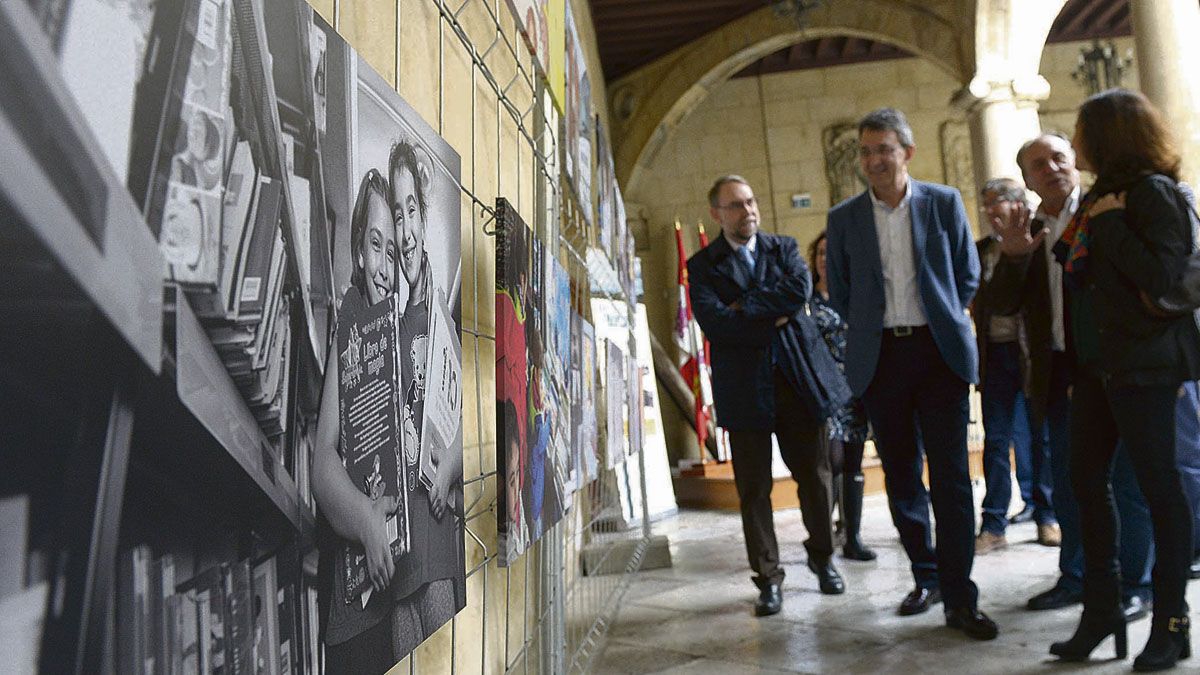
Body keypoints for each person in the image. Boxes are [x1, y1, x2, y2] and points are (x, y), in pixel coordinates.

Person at [825, 107, 997, 640]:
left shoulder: (943, 203)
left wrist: (943, 317)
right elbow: (843, 290)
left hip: (937, 352)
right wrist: (875, 332)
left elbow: (967, 273)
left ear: (907, 153)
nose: (874, 160)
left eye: (885, 149)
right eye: (867, 150)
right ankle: (926, 578)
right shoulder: (844, 218)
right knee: (901, 476)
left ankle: (960, 595)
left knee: (950, 478)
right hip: (881, 360)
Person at [1047, 88, 1197, 670]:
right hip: (1097, 368)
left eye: (1082, 132)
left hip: (1147, 366)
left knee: (1161, 491)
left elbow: (1164, 276)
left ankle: (1172, 622)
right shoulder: (1099, 199)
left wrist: (1109, 227)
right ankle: (1103, 610)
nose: (1075, 142)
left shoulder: (1151, 194)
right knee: (1084, 483)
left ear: (1108, 137)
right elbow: (1079, 273)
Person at [994, 132, 1156, 622]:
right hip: (1061, 370)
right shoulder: (1030, 227)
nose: (1052, 169)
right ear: (1026, 179)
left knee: (1126, 482)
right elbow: (1002, 305)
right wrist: (1015, 255)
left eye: (1058, 158)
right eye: (1038, 165)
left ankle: (1135, 583)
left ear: (1075, 163)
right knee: (1070, 480)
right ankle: (1078, 577)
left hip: (1115, 363)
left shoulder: (1105, 210)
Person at [688, 175, 849, 616]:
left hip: (797, 382)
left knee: (815, 480)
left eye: (752, 201)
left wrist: (745, 308)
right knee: (753, 490)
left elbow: (798, 292)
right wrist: (769, 314)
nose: (749, 211)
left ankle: (823, 558)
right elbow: (716, 323)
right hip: (744, 391)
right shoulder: (703, 265)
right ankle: (768, 578)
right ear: (718, 214)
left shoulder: (783, 248)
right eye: (737, 205)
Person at [313, 169, 403, 672]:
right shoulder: (348, 327)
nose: (384, 265)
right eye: (375, 246)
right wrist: (367, 521)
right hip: (357, 616)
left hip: (407, 598)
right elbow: (322, 463)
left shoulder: (410, 324)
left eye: (392, 251)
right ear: (357, 253)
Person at [388, 138, 464, 658]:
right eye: (397, 214)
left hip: (436, 541)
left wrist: (445, 472)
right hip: (395, 558)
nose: (407, 229)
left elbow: (464, 417)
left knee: (442, 659)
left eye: (412, 209)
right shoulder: (385, 321)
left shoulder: (439, 310)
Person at [970, 177, 1058, 554]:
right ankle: (993, 524)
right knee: (996, 441)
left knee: (1042, 438)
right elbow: (981, 299)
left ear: (1019, 204)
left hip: (1032, 353)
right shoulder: (980, 250)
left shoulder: (1041, 239)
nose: (991, 211)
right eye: (986, 204)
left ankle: (1047, 516)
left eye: (998, 202)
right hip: (994, 355)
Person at [807, 230, 876, 561]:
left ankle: (853, 536)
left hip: (857, 392)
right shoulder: (807, 301)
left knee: (852, 462)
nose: (824, 259)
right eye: (819, 253)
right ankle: (824, 535)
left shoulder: (855, 298)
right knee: (830, 461)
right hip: (824, 393)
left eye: (829, 254)